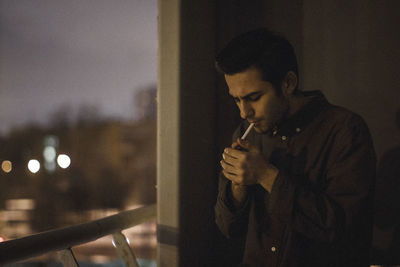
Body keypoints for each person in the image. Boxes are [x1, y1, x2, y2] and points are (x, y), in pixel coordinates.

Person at [214, 28, 376, 267]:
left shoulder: (345, 130)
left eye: (254, 97)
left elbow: (340, 228)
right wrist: (238, 186)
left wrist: (266, 175)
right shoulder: (247, 132)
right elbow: (228, 227)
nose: (244, 112)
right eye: (237, 99)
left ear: (288, 83)